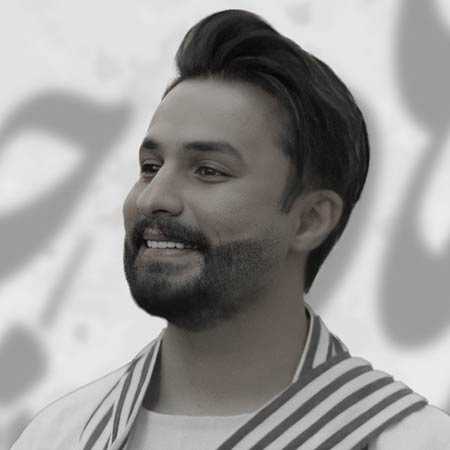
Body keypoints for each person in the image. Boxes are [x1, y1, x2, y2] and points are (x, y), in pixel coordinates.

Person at [12, 9, 450, 450]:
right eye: (150, 167)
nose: (152, 198)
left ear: (310, 219)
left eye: (208, 170)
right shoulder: (58, 436)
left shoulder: (415, 442)